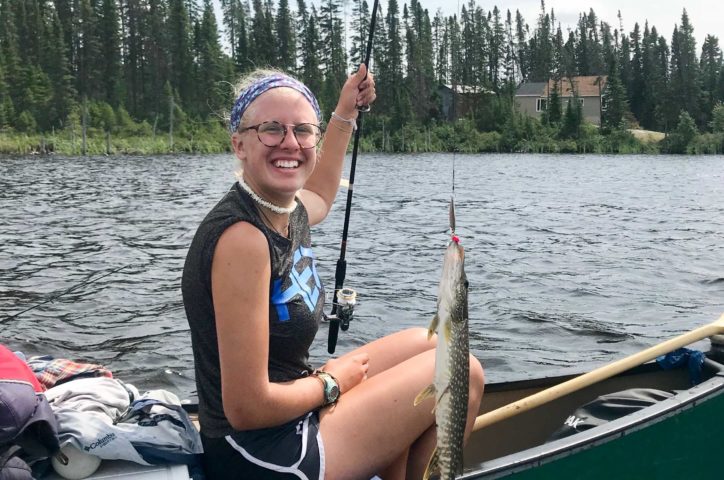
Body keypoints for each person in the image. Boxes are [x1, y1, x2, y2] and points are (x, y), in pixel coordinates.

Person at [182, 64, 485, 480]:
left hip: (292, 409)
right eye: (271, 129)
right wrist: (331, 384)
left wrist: (345, 112)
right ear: (240, 144)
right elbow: (246, 408)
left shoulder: (287, 209)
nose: (289, 143)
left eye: (302, 131)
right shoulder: (243, 238)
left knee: (425, 343)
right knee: (463, 372)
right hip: (260, 454)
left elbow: (322, 190)